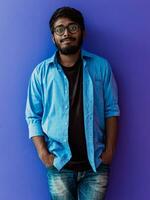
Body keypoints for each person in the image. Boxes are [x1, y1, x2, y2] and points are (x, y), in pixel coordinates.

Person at [25, 6, 120, 200]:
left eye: (72, 27)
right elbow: (32, 115)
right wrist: (44, 154)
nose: (66, 33)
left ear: (82, 32)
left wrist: (109, 151)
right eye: (60, 29)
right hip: (59, 164)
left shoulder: (101, 67)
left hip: (96, 164)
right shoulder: (41, 73)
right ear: (53, 37)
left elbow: (111, 109)